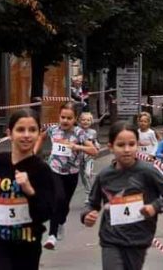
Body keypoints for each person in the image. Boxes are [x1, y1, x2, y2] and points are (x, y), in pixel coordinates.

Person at [81, 121, 163, 270]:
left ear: (137, 145)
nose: (127, 150)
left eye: (131, 144)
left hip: (138, 239)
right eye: (121, 145)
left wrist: (154, 207)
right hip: (110, 239)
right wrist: (87, 214)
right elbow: (92, 203)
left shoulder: (148, 171)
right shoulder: (104, 175)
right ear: (110, 147)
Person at [0, 109, 55, 270]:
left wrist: (29, 191)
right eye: (20, 130)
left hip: (27, 244)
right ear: (9, 133)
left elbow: (46, 212)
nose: (26, 135)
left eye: (32, 130)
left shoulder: (41, 170)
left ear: (38, 134)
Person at [34, 101, 98, 250]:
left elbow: (94, 151)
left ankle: (61, 221)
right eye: (63, 117)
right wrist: (34, 152)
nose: (65, 121)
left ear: (75, 119)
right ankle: (52, 236)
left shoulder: (79, 133)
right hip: (54, 170)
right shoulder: (53, 129)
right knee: (58, 199)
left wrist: (77, 147)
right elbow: (41, 136)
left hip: (71, 174)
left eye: (69, 118)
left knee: (64, 204)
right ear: (59, 116)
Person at [77, 111, 100, 204]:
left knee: (87, 173)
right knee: (83, 177)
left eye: (88, 120)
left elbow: (95, 142)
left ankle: (90, 194)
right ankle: (89, 191)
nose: (85, 122)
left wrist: (97, 146)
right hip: (78, 157)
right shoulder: (76, 131)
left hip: (89, 157)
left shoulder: (93, 132)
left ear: (91, 121)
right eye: (83, 120)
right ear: (79, 121)